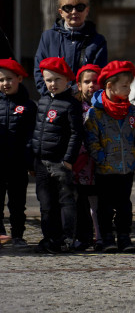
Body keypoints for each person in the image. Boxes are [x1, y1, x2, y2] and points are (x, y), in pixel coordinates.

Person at [85, 60, 135, 253]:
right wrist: (100, 157)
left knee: (125, 205)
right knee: (105, 206)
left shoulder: (132, 111)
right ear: (110, 86)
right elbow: (91, 139)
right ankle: (107, 237)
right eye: (125, 85)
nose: (129, 89)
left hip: (126, 167)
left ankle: (124, 237)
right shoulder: (96, 113)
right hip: (105, 168)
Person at [32, 57, 83, 253]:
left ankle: (67, 238)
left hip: (60, 162)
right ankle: (49, 237)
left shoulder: (71, 104)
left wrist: (68, 159)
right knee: (46, 203)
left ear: (67, 80)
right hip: (41, 162)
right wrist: (33, 157)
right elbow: (36, 131)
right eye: (48, 80)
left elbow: (76, 134)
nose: (52, 84)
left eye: (57, 79)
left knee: (65, 201)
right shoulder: (43, 101)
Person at [34, 0, 108, 95]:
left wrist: (78, 95)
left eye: (80, 7)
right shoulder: (48, 38)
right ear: (61, 12)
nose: (74, 12)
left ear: (87, 10)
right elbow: (39, 71)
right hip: (53, 101)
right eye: (68, 8)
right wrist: (49, 94)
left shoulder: (97, 41)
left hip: (84, 102)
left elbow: (99, 74)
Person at [0, 59, 36, 249]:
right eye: (1, 80)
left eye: (9, 79)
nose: (5, 83)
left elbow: (32, 135)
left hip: (18, 163)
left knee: (17, 203)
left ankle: (18, 235)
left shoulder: (28, 106)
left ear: (19, 79)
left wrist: (30, 162)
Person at [72, 65, 101, 251]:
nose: (91, 85)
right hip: (81, 163)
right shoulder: (75, 106)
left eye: (95, 81)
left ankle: (101, 236)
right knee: (81, 201)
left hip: (101, 162)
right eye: (87, 81)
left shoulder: (105, 105)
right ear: (79, 85)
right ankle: (82, 237)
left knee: (99, 202)